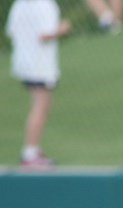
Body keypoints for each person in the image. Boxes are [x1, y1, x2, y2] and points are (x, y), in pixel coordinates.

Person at [5, 0, 72, 168]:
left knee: (39, 105)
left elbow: (11, 31)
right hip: (40, 65)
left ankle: (34, 149)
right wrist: (62, 29)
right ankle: (30, 152)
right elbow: (45, 35)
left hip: (24, 62)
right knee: (41, 107)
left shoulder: (19, 5)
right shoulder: (45, 5)